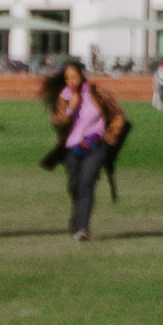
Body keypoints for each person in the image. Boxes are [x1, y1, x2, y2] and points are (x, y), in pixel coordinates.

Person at [50, 60, 117, 243]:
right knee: (74, 186)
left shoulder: (96, 93)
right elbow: (56, 122)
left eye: (74, 77)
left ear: (82, 76)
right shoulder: (64, 97)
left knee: (87, 184)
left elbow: (116, 114)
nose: (71, 81)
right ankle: (76, 218)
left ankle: (82, 228)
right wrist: (71, 107)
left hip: (95, 146)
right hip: (71, 148)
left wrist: (111, 135)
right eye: (67, 78)